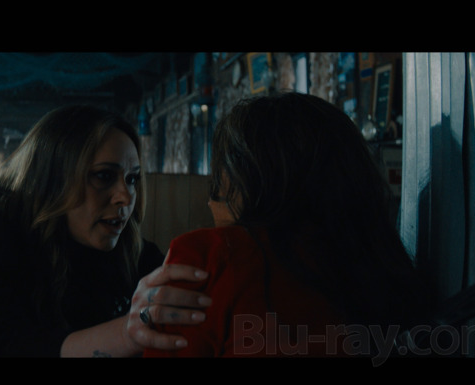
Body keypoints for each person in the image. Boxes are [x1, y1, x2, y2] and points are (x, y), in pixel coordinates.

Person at [0, 105, 211, 357]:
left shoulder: (121, 243)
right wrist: (128, 332)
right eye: (104, 175)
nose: (126, 196)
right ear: (52, 177)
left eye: (133, 178)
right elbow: (7, 344)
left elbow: (179, 281)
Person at [143, 92, 432, 357]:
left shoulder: (210, 260)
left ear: (249, 182)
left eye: (217, 184)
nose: (210, 203)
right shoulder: (386, 269)